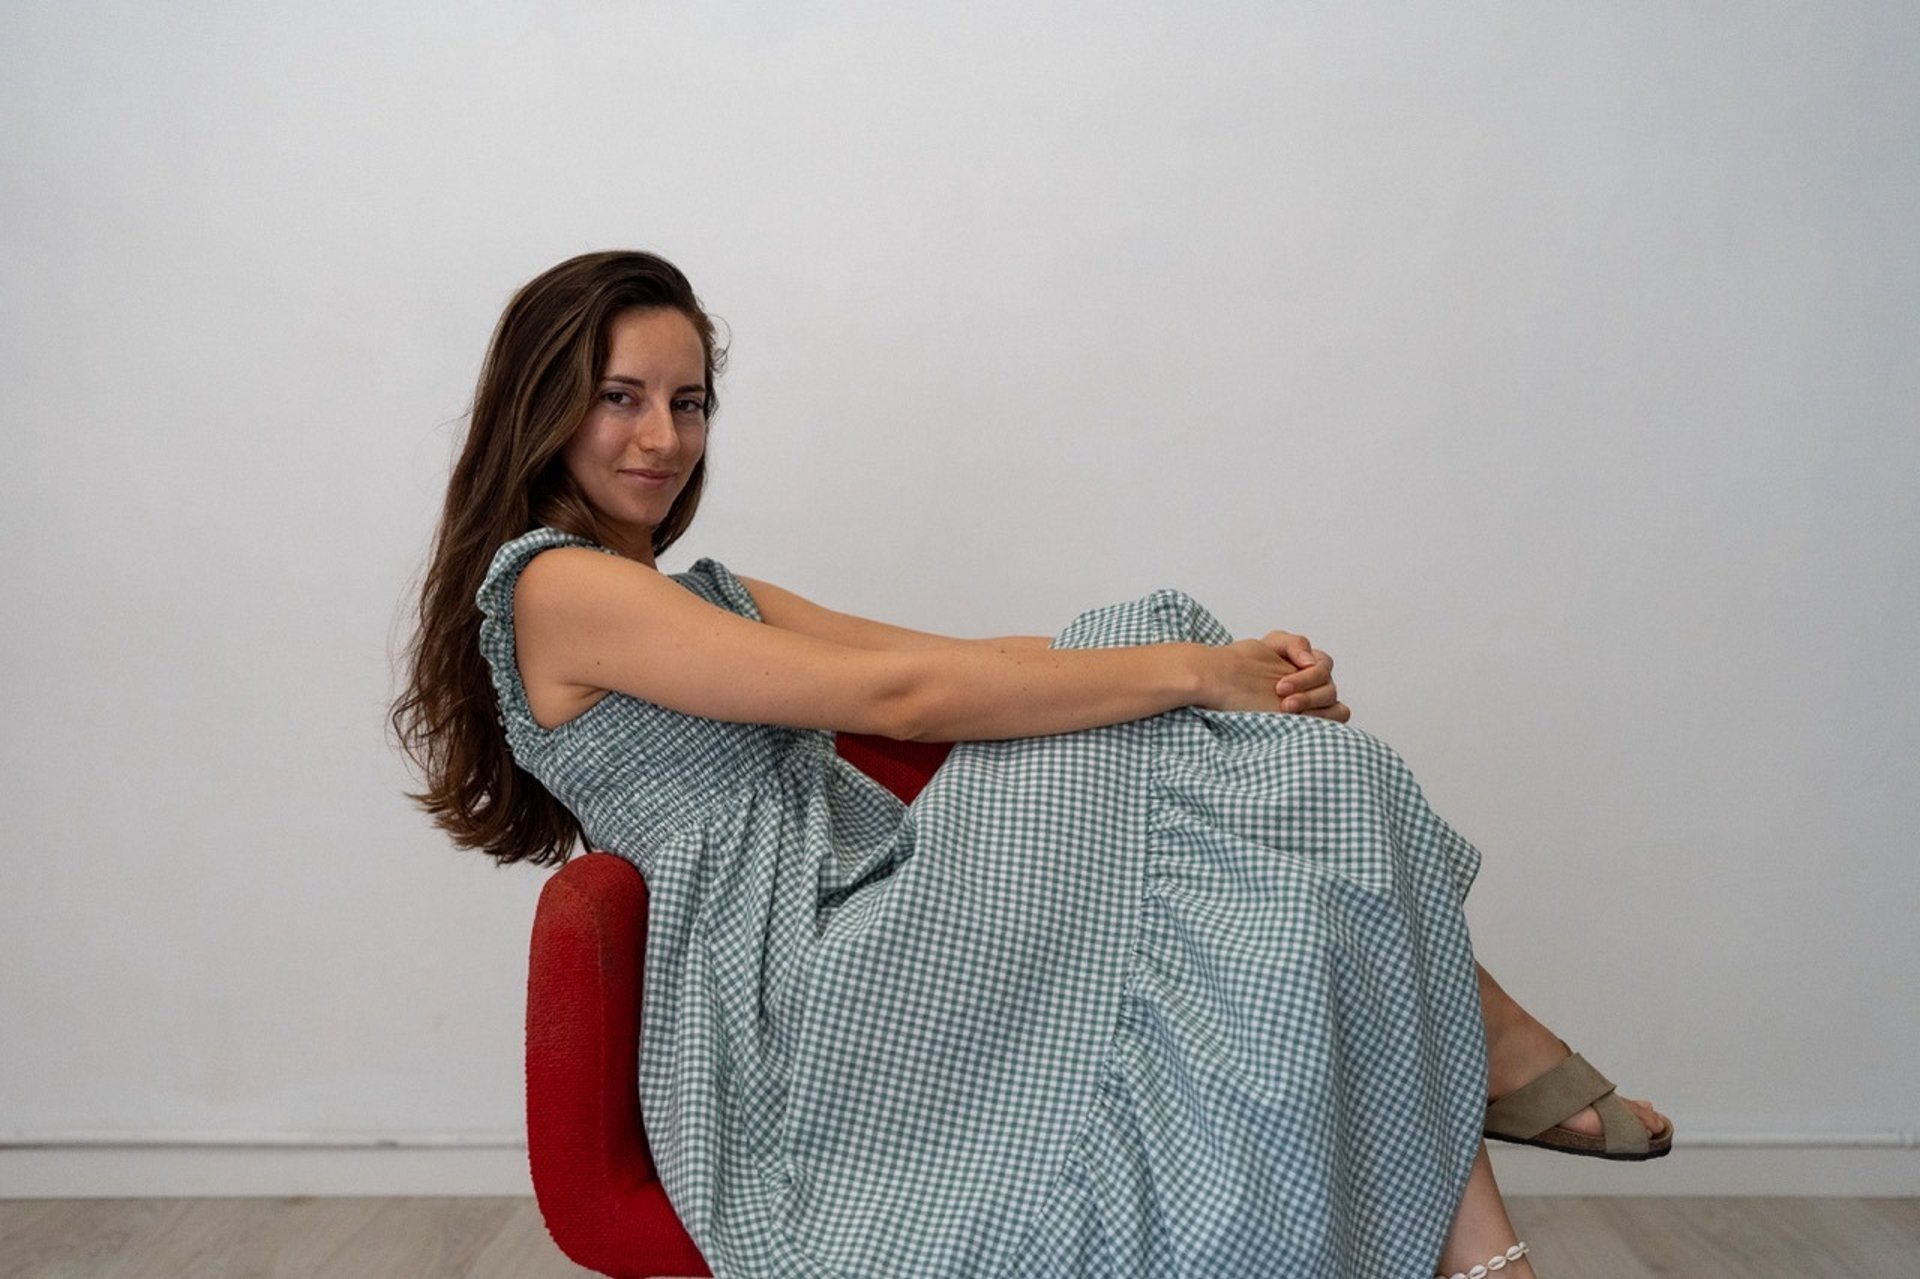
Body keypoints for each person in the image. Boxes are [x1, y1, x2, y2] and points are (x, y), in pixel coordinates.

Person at [391, 250, 1671, 1278]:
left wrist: (1224, 662)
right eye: (621, 396)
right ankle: (1492, 1084)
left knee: (1190, 672)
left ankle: (1482, 1212)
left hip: (863, 895)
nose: (660, 437)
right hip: (791, 974)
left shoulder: (699, 590)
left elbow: (960, 652)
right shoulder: (554, 586)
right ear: (544, 402)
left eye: (688, 400)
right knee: (1180, 676)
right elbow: (896, 694)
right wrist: (1194, 676)